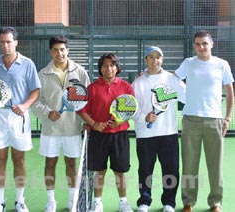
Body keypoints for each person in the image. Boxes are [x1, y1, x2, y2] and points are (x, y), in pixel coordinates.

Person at [175, 30, 234, 212]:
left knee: (215, 165)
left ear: (212, 44)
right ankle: (188, 202)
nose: (201, 47)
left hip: (214, 121)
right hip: (190, 120)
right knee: (189, 165)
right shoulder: (188, 64)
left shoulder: (221, 65)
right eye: (198, 44)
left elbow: (230, 92)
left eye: (205, 43)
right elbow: (172, 80)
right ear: (194, 46)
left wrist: (227, 118)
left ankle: (215, 202)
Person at [31, 36, 90, 212]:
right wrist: (47, 112)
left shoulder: (80, 72)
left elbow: (87, 98)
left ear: (68, 50)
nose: (60, 53)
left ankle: (72, 200)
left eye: (62, 49)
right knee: (50, 163)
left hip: (72, 128)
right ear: (51, 52)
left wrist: (87, 122)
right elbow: (35, 101)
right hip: (51, 129)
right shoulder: (42, 74)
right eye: (56, 50)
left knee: (71, 164)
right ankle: (51, 201)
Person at [0, 27, 41, 212]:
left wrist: (25, 105)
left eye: (9, 41)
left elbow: (36, 91)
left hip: (20, 117)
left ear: (16, 42)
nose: (5, 45)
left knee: (19, 160)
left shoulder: (28, 64)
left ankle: (19, 201)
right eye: (2, 42)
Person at [131, 46, 186, 212]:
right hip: (145, 135)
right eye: (151, 57)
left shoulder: (172, 79)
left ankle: (169, 203)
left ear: (162, 60)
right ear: (146, 60)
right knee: (145, 170)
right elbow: (132, 108)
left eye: (158, 57)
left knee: (170, 170)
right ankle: (144, 202)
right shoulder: (138, 82)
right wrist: (144, 117)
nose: (155, 60)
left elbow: (187, 96)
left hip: (168, 134)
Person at [78, 53, 134, 212]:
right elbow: (82, 111)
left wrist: (120, 121)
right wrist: (94, 124)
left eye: (112, 65)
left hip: (119, 135)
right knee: (99, 171)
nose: (108, 68)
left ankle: (123, 202)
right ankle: (97, 202)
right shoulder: (92, 88)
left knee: (120, 171)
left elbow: (131, 110)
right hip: (98, 136)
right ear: (100, 68)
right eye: (104, 65)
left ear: (117, 68)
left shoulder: (126, 87)